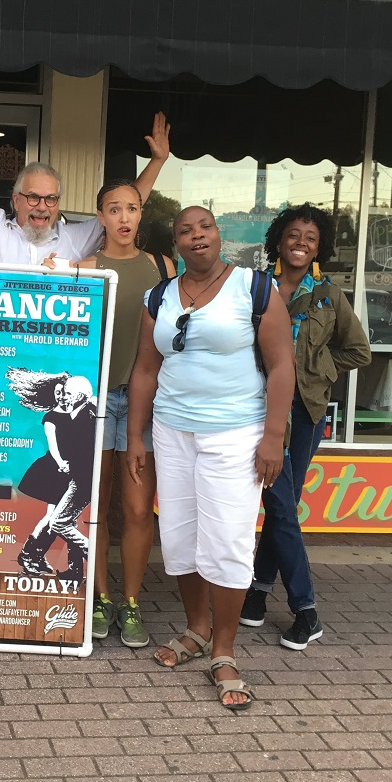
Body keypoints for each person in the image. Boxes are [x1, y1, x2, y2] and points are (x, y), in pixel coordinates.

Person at [126, 205, 294, 710]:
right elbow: (144, 372)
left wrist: (273, 436)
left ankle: (225, 651)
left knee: (227, 540)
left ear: (219, 236)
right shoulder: (159, 296)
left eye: (206, 227)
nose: (197, 236)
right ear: (174, 242)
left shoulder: (253, 288)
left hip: (236, 434)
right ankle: (197, 630)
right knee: (181, 535)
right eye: (185, 231)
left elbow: (282, 365)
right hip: (172, 432)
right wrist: (135, 437)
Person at [240, 203, 371, 650]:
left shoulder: (330, 297)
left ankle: (295, 607)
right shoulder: (257, 289)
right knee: (281, 508)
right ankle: (271, 596)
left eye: (310, 238)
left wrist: (315, 367)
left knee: (281, 506)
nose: (300, 243)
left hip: (305, 413)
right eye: (293, 235)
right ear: (278, 240)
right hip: (256, 409)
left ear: (321, 247)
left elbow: (359, 353)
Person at [0, 63, 170, 264]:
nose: (42, 206)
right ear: (16, 199)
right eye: (34, 197)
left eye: (51, 199)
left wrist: (157, 161)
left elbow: (126, 205)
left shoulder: (75, 239)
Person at [73, 180, 175, 647]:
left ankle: (130, 602)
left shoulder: (163, 267)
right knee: (94, 507)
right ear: (101, 217)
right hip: (94, 402)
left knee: (136, 509)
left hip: (145, 405)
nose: (123, 217)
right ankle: (100, 596)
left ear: (140, 213)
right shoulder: (85, 270)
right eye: (113, 209)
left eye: (131, 208)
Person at [11, 373, 98, 584]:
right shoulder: (52, 417)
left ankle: (65, 566)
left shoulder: (77, 411)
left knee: (62, 520)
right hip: (55, 470)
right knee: (55, 519)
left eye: (66, 392)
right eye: (59, 393)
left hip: (71, 472)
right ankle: (30, 554)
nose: (62, 397)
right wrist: (61, 463)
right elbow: (54, 446)